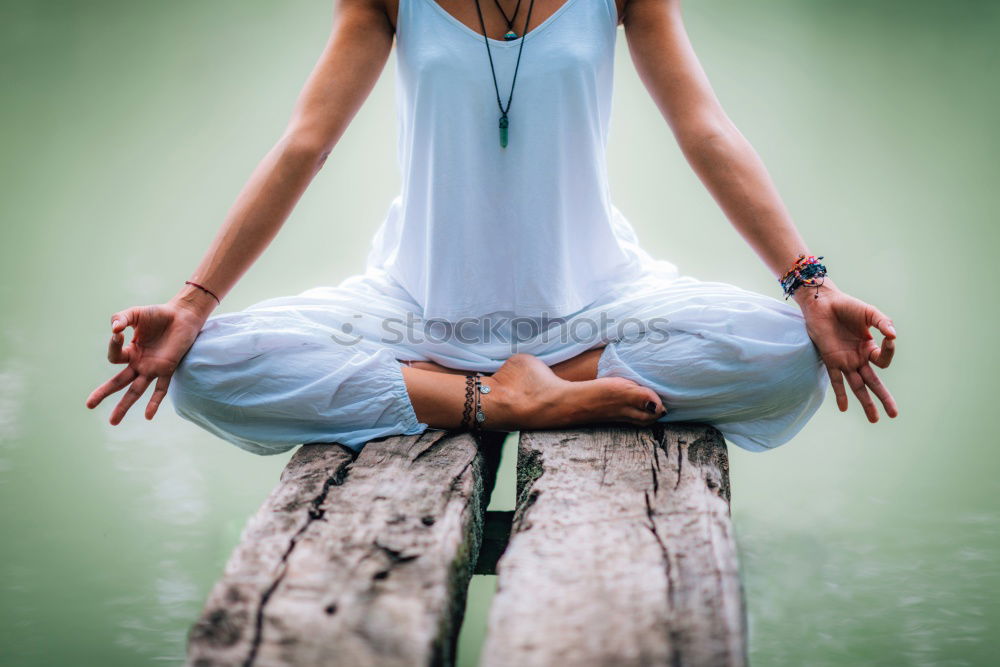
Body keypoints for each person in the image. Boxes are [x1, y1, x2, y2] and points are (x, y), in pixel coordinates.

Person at [85, 0, 898, 456]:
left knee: (794, 356)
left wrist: (810, 288)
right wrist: (193, 305)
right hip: (420, 312)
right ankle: (508, 400)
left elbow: (705, 130)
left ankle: (532, 385)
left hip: (595, 305)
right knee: (203, 369)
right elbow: (307, 142)